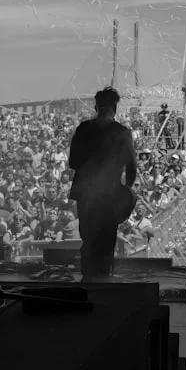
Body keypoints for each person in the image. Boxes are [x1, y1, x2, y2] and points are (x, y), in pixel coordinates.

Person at [67, 87, 137, 282]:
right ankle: (103, 283)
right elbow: (132, 168)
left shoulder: (83, 129)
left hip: (86, 195)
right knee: (107, 241)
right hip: (110, 196)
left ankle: (88, 283)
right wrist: (125, 192)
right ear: (115, 108)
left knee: (88, 240)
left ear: (96, 106)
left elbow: (73, 162)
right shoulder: (122, 132)